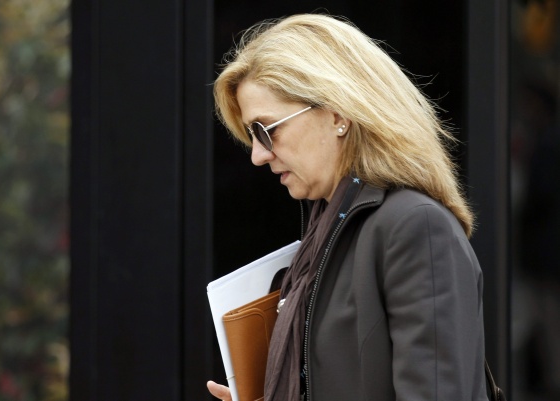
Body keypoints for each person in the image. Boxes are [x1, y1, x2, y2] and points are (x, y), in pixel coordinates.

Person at [208, 13, 489, 401]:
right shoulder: (329, 229)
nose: (258, 155)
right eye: (251, 136)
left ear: (337, 115)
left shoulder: (414, 227)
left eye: (266, 130)